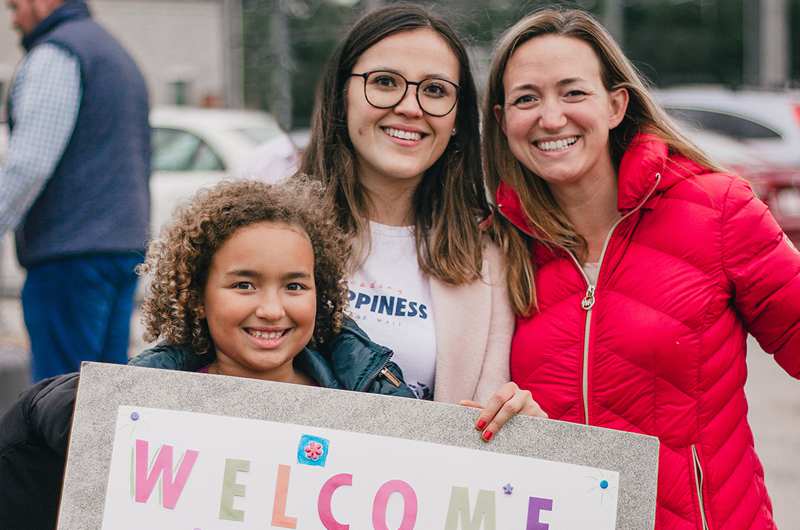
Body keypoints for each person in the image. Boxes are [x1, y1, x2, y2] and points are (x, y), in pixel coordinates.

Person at [483, 8, 800, 530]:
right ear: (502, 121)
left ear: (615, 105)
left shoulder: (717, 210)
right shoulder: (495, 246)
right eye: (526, 98)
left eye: (573, 92)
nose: (551, 116)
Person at [0, 179, 414, 530]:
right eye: (244, 285)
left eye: (294, 286)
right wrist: (88, 406)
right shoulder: (143, 411)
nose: (272, 309)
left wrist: (471, 438)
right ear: (198, 297)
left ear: (320, 293)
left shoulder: (368, 405)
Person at [298, 4, 545, 439]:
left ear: (456, 119)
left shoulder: (492, 257)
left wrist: (521, 429)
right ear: (342, 97)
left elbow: (482, 430)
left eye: (434, 90)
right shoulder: (271, 229)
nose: (410, 107)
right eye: (385, 82)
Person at [1, 0, 150, 381]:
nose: (14, 19)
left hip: (69, 255)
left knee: (59, 397)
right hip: (120, 249)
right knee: (101, 397)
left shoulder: (58, 53)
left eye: (15, 6)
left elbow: (28, 164)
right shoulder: (114, 53)